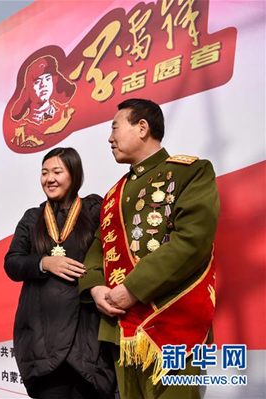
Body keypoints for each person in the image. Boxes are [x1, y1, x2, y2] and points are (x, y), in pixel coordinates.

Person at [78, 99, 219, 399]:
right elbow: (97, 249)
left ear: (142, 127)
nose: (110, 138)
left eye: (115, 127)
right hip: (123, 332)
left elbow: (192, 241)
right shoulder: (113, 194)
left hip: (172, 324)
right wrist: (95, 289)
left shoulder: (190, 172)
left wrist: (132, 288)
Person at [4, 147, 115, 399]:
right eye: (44, 173)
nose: (49, 179)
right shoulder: (33, 218)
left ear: (74, 174)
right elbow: (12, 263)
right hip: (43, 337)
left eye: (57, 171)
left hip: (87, 336)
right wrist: (44, 263)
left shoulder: (94, 211)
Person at [10, 55, 77, 147]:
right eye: (37, 81)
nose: (43, 85)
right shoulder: (23, 129)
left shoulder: (65, 113)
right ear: (29, 87)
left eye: (48, 79)